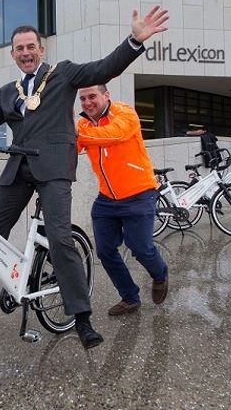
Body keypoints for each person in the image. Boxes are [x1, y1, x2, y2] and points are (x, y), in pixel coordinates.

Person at [0, 6, 169, 349]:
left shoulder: (64, 74)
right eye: (20, 49)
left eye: (31, 47)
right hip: (18, 167)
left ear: (41, 50)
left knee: (59, 239)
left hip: (55, 170)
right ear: (12, 54)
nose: (26, 53)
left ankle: (82, 319)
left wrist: (134, 41)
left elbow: (105, 68)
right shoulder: (7, 92)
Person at [75, 84, 169, 315]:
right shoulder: (83, 125)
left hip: (139, 194)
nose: (87, 103)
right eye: (83, 98)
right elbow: (70, 148)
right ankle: (130, 297)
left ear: (106, 95)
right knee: (105, 251)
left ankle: (160, 274)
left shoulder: (125, 112)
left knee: (140, 248)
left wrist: (74, 134)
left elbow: (114, 134)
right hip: (107, 198)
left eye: (92, 96)